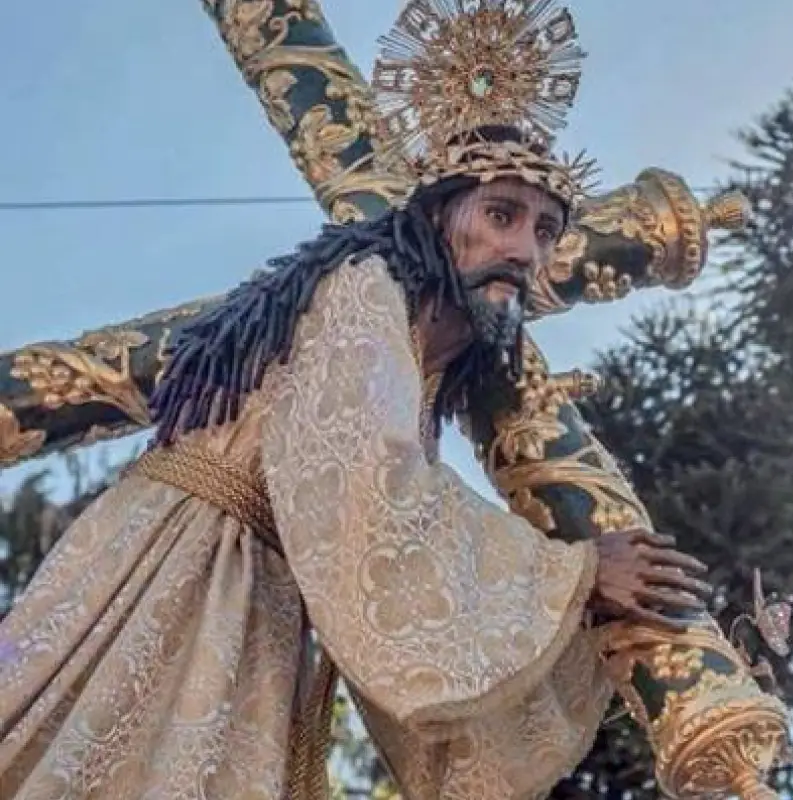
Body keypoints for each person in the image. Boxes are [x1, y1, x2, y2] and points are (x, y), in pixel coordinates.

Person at [0, 4, 714, 798]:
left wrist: (570, 620)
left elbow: (384, 572)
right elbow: (366, 488)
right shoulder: (363, 287)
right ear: (443, 220)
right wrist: (571, 576)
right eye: (502, 215)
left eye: (547, 230)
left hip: (263, 603)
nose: (525, 249)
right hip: (185, 569)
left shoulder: (432, 369)